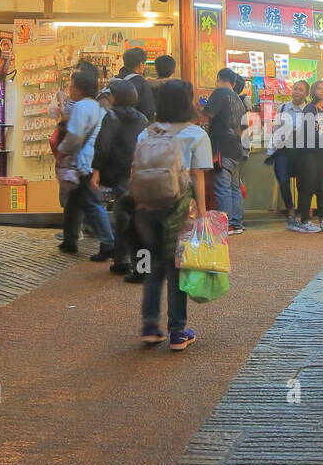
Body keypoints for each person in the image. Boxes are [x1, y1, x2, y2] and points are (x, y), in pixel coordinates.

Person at [132, 79, 211, 351]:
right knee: (178, 268)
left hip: (146, 206)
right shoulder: (196, 134)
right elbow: (199, 174)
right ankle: (177, 331)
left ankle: (150, 327)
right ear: (187, 101)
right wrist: (201, 212)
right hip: (179, 208)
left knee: (153, 267)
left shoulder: (147, 133)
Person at [90, 78, 149, 273]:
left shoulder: (112, 117)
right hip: (140, 171)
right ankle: (142, 264)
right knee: (140, 218)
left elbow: (103, 145)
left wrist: (96, 170)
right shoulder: (142, 118)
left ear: (116, 97)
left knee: (123, 217)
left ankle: (122, 261)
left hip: (120, 173)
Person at [57, 69, 115, 256]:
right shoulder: (97, 106)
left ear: (80, 88)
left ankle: (108, 242)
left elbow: (75, 135)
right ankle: (69, 240)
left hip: (83, 161)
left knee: (91, 202)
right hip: (91, 159)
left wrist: (62, 150)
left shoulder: (82, 107)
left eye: (72, 86)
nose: (70, 89)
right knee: (75, 201)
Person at [202, 67, 248, 234]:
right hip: (236, 147)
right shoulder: (238, 99)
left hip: (222, 147)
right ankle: (237, 223)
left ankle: (225, 224)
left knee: (223, 187)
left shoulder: (220, 92)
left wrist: (196, 107)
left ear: (219, 78)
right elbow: (244, 127)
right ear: (234, 82)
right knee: (234, 187)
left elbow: (207, 114)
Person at [295, 79, 323, 233]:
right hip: (309, 154)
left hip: (322, 154)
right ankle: (305, 220)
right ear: (313, 92)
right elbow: (309, 132)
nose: (322, 91)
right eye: (318, 88)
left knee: (322, 188)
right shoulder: (309, 109)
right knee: (307, 187)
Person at [270, 79, 309, 229]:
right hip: (284, 150)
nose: (296, 92)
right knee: (283, 180)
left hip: (302, 151)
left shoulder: (308, 110)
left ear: (306, 94)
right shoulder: (283, 107)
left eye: (300, 90)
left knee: (302, 183)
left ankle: (301, 212)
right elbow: (276, 127)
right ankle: (290, 210)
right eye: (295, 89)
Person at [121, 47, 158, 122]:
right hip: (134, 127)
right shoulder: (141, 83)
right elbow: (148, 111)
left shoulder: (115, 79)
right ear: (141, 65)